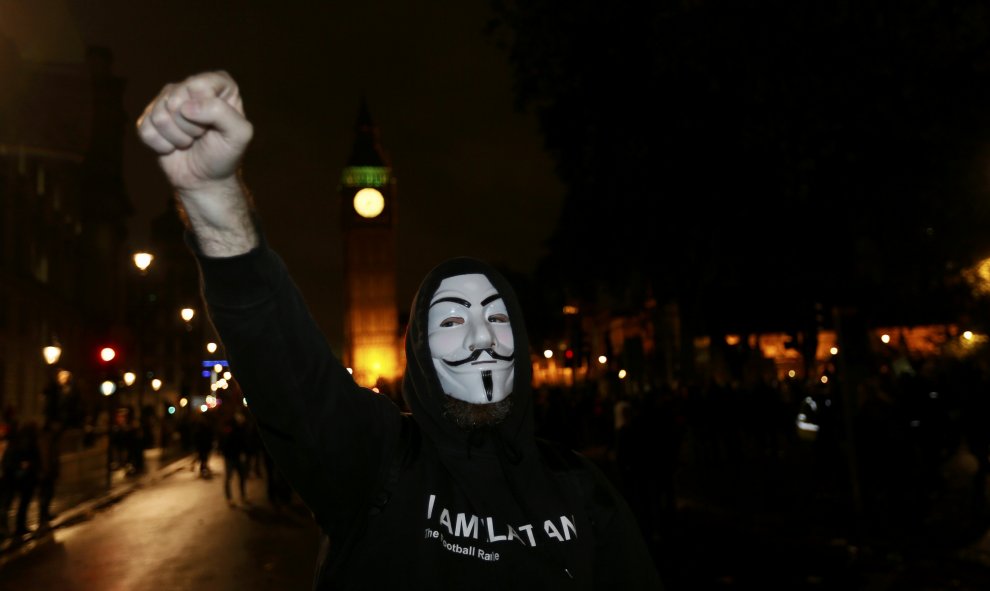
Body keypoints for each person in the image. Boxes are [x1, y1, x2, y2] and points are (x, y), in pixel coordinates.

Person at [137, 70, 663, 590]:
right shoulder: (379, 466)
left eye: (497, 316)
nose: (482, 337)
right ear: (419, 351)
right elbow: (283, 363)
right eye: (453, 319)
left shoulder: (581, 489)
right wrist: (213, 198)